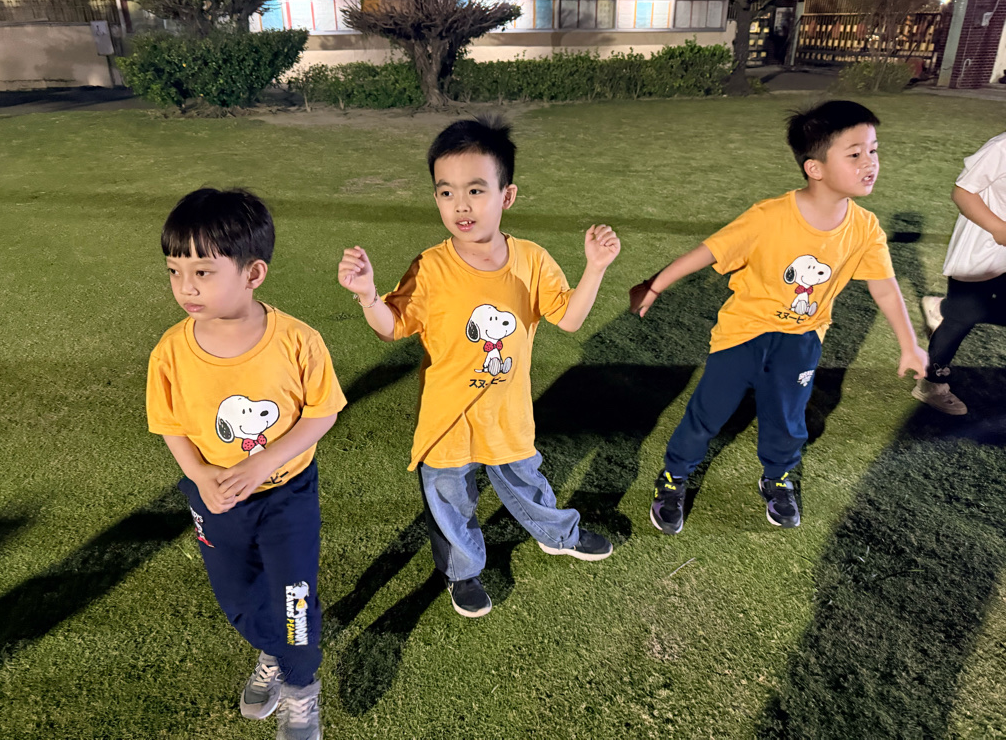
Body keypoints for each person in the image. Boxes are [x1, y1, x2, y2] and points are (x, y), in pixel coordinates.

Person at [337, 116, 619, 618]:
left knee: (527, 482)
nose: (460, 205)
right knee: (450, 502)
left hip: (506, 413)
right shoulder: (430, 266)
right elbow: (392, 326)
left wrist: (594, 268)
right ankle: (463, 572)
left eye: (475, 190)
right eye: (446, 192)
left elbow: (570, 318)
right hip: (447, 418)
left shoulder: (531, 260)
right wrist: (367, 296)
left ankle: (558, 534)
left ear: (506, 196)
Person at [630, 100, 926, 533]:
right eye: (855, 153)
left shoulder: (865, 229)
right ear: (815, 168)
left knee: (787, 420)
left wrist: (909, 343)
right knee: (707, 413)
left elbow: (884, 286)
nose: (870, 163)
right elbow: (710, 251)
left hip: (802, 340)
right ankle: (674, 476)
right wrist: (655, 285)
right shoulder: (769, 216)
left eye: (873, 150)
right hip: (743, 334)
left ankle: (779, 478)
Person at [146, 188, 346, 740]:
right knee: (236, 596)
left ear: (254, 272)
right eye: (174, 271)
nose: (186, 286)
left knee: (294, 597)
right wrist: (200, 476)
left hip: (286, 495)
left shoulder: (298, 340)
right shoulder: (171, 350)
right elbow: (169, 423)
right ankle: (272, 653)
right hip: (215, 499)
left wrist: (263, 466)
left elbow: (322, 413)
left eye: (203, 272)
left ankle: (301, 689)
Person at [914, 131, 1006, 415]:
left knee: (971, 311)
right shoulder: (1002, 147)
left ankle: (944, 308)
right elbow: (963, 192)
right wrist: (999, 229)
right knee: (962, 317)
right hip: (983, 246)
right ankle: (931, 384)